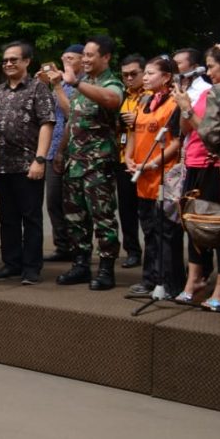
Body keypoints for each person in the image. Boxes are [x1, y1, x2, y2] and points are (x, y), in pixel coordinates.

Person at [56, 35, 124, 291]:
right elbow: (71, 117)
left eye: (90, 55)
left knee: (103, 217)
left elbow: (112, 100)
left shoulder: (110, 82)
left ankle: (106, 269)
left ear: (105, 57)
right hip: (75, 162)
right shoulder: (83, 84)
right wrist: (61, 153)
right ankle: (81, 264)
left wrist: (76, 84)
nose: (84, 59)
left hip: (98, 165)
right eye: (83, 55)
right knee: (75, 218)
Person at [0, 41, 55, 284]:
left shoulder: (38, 89)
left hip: (28, 164)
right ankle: (11, 263)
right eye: (5, 60)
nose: (8, 64)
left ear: (27, 61)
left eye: (14, 59)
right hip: (1, 165)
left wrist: (40, 158)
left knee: (31, 217)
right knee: (7, 217)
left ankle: (32, 267)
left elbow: (47, 123)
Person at [124, 56, 183, 297]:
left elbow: (177, 142)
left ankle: (170, 283)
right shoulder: (145, 100)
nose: (145, 78)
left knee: (166, 233)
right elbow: (134, 133)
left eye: (150, 73)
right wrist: (128, 157)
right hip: (142, 177)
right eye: (145, 73)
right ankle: (150, 280)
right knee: (149, 230)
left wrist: (154, 163)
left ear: (167, 77)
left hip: (164, 176)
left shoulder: (174, 104)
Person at [173, 45, 220, 304]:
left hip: (214, 165)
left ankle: (218, 291)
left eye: (212, 66)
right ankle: (194, 280)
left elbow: (212, 138)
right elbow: (186, 129)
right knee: (193, 223)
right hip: (196, 163)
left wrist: (189, 110)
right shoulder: (209, 92)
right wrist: (184, 107)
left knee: (218, 226)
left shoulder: (215, 92)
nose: (209, 71)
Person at [40, 45, 84, 262]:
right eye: (63, 58)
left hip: (74, 151)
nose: (65, 62)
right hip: (51, 149)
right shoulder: (57, 83)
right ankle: (62, 246)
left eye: (71, 58)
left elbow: (71, 113)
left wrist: (57, 85)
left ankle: (79, 248)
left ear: (82, 61)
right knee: (53, 201)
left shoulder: (83, 84)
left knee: (74, 203)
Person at [115, 55, 147, 268]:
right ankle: (132, 251)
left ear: (144, 73)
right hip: (122, 158)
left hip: (146, 160)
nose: (129, 78)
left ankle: (153, 252)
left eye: (133, 74)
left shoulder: (153, 95)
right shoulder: (123, 95)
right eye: (125, 74)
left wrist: (138, 119)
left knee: (147, 210)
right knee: (126, 208)